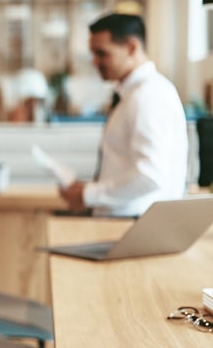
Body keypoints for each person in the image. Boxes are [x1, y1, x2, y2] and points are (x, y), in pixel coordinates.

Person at [60, 13, 188, 217]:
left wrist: (89, 195)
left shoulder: (148, 95)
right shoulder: (134, 94)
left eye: (101, 53)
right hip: (128, 223)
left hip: (134, 225)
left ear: (131, 47)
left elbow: (150, 176)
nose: (94, 62)